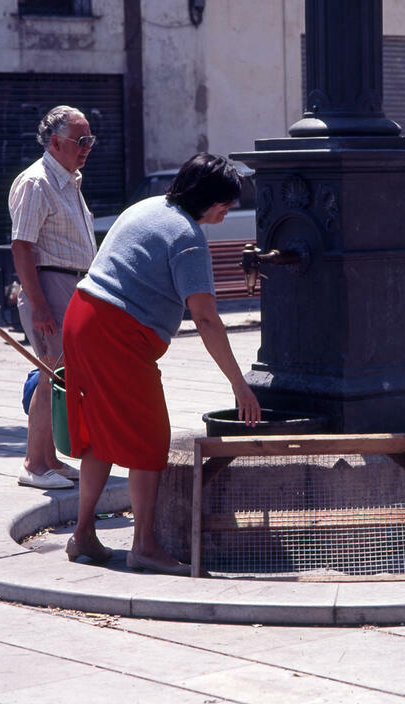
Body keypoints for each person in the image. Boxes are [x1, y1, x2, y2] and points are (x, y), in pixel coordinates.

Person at [62, 152, 261, 574]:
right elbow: (206, 319)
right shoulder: (188, 237)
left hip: (81, 316)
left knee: (101, 432)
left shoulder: (147, 207)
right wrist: (239, 384)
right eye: (225, 204)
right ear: (206, 198)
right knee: (150, 439)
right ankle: (144, 546)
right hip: (117, 333)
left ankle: (82, 535)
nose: (228, 212)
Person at [9, 106, 98, 489]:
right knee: (50, 374)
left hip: (73, 286)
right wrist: (40, 305)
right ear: (57, 142)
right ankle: (34, 464)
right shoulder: (37, 181)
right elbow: (22, 246)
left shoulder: (68, 180)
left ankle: (49, 459)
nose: (87, 148)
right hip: (51, 286)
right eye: (81, 140)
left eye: (90, 140)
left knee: (60, 375)